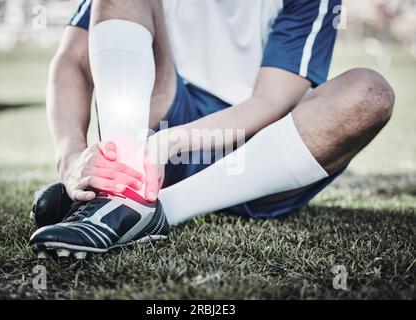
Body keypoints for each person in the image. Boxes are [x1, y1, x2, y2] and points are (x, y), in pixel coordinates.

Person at [29, 0, 395, 259]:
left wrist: (170, 142)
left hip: (260, 154)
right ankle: (121, 187)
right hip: (164, 116)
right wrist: (71, 158)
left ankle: (145, 209)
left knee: (369, 93)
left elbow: (271, 102)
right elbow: (72, 61)